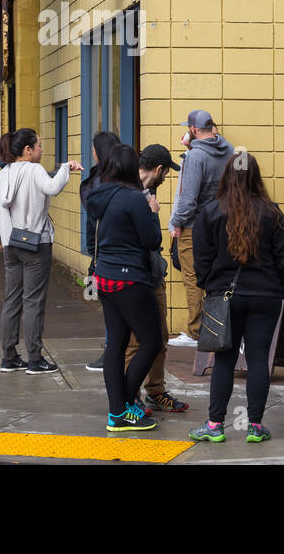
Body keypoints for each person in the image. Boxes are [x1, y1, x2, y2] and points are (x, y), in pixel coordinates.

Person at [189, 154, 284, 444]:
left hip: (224, 297)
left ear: (227, 176)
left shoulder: (210, 211)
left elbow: (200, 259)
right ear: (255, 177)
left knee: (224, 360)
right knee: (259, 359)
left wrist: (209, 285)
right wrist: (274, 282)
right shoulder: (272, 213)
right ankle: (256, 426)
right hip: (265, 296)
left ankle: (215, 425)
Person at [87, 144, 164, 431]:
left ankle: (117, 412)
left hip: (105, 276)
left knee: (115, 344)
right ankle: (124, 403)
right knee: (152, 341)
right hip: (130, 278)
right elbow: (151, 240)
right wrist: (153, 212)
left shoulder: (101, 196)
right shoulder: (133, 199)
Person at [0, 128, 82, 374]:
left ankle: (8, 357)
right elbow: (52, 188)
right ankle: (35, 358)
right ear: (27, 150)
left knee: (11, 300)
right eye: (39, 146)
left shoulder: (2, 176)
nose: (42, 150)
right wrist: (66, 168)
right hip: (35, 244)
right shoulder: (34, 170)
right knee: (33, 301)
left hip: (10, 245)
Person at [124, 143, 189, 412]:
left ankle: (155, 390)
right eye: (166, 172)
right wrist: (152, 214)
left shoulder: (149, 190)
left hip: (152, 274)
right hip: (132, 277)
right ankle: (131, 396)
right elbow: (146, 238)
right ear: (159, 169)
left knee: (160, 336)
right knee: (134, 341)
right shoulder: (127, 191)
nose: (166, 177)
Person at [167, 110, 233, 348]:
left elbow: (187, 199)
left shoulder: (194, 158)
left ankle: (196, 331)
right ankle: (218, 325)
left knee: (193, 279)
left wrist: (176, 223)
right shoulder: (229, 151)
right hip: (222, 225)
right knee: (217, 277)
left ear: (193, 130)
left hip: (194, 227)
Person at [80, 130, 121, 373]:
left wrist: (92, 252)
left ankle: (111, 350)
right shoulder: (126, 176)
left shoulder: (99, 181)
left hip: (106, 250)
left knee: (110, 305)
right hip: (123, 251)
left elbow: (92, 220)